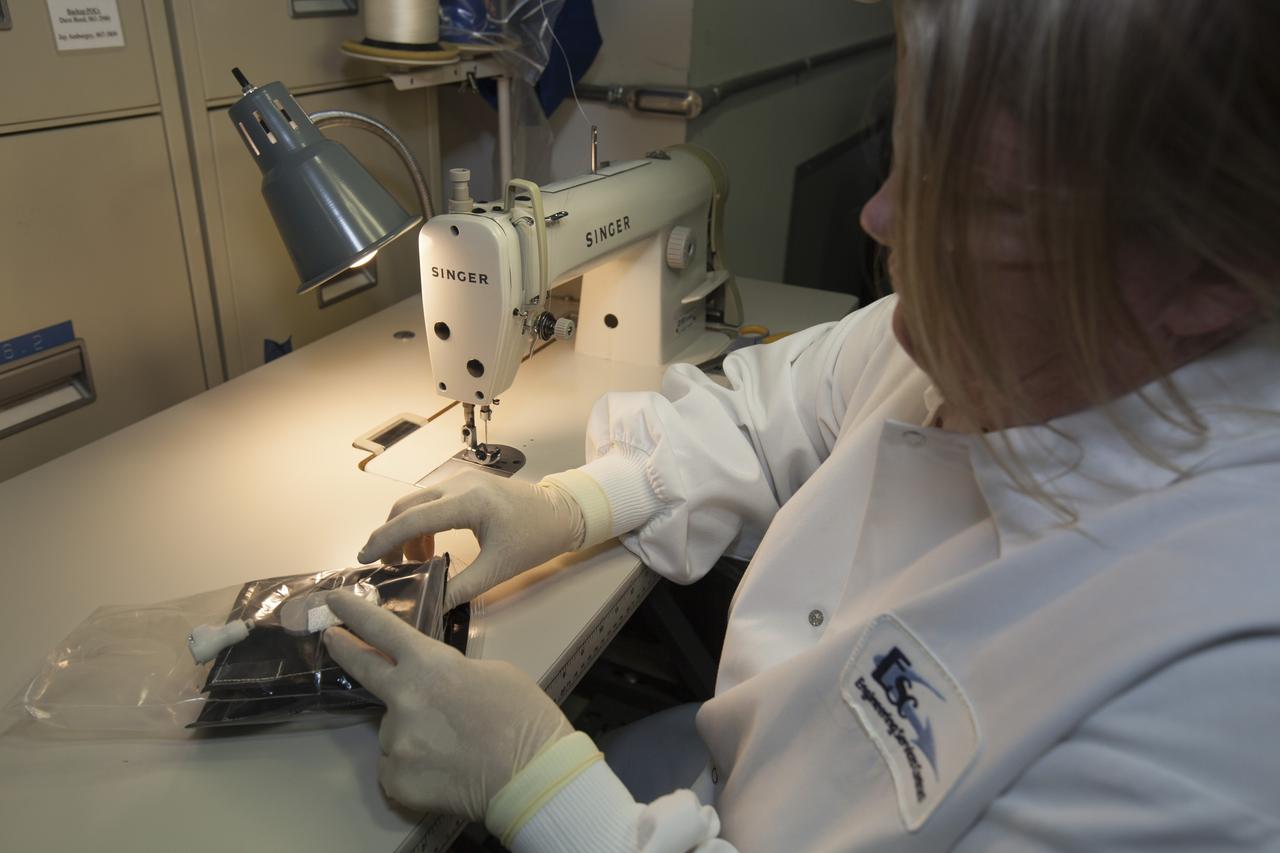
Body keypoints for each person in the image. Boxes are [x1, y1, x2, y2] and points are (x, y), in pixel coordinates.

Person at [322, 0, 1280, 849]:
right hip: (728, 775)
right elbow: (762, 409)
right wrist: (570, 503)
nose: (880, 215)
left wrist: (545, 791)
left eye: (974, 198)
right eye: (909, 151)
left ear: (1209, 278)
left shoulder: (1226, 699)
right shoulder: (973, 342)